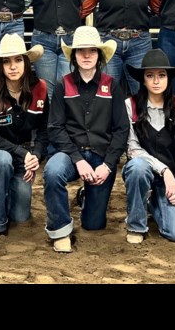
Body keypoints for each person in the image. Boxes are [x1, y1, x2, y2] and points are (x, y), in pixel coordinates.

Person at [44, 26, 128, 253]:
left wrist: (109, 165)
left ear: (99, 55)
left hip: (101, 157)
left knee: (93, 225)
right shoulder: (64, 84)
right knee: (52, 172)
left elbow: (122, 130)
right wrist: (77, 159)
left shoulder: (112, 86)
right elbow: (55, 128)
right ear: (74, 56)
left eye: (92, 51)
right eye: (81, 51)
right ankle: (60, 230)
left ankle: (85, 196)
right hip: (71, 154)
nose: (87, 55)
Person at [0, 34, 49, 248]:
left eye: (17, 60)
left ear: (26, 62)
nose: (12, 66)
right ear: (1, 65)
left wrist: (36, 156)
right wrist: (23, 154)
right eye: (6, 61)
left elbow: (44, 130)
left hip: (21, 153)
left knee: (20, 216)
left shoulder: (40, 88)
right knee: (3, 161)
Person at [121, 49, 175, 243]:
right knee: (137, 167)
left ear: (168, 78)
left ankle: (154, 204)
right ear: (143, 79)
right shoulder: (130, 106)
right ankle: (136, 224)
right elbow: (132, 149)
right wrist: (164, 170)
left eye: (161, 75)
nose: (156, 81)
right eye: (150, 75)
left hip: (172, 182)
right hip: (143, 174)